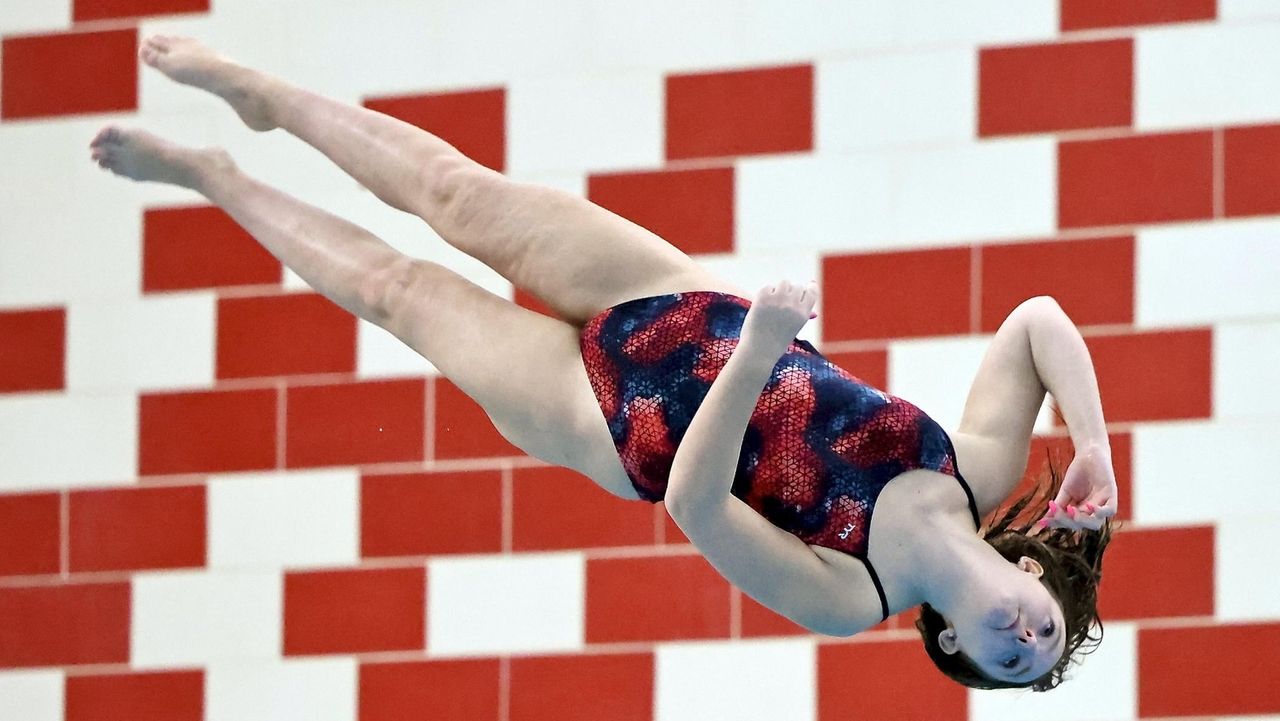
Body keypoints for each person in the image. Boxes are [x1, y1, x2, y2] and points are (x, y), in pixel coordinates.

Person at [91, 36, 1117, 691]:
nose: (1026, 645)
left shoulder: (851, 597)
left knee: (397, 293)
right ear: (1033, 575)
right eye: (1043, 636)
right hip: (671, 302)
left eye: (1008, 666)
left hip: (610, 422)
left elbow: (698, 508)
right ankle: (263, 95)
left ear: (954, 647)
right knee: (452, 193)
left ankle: (210, 176)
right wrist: (1093, 448)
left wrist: (761, 351)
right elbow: (1035, 319)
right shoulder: (970, 468)